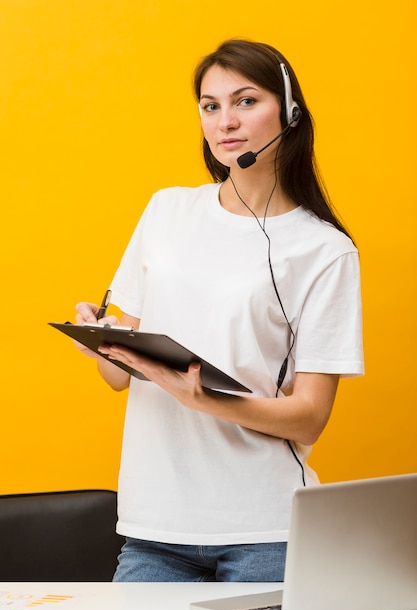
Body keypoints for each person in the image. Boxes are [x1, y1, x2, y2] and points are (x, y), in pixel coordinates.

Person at [75, 39, 363, 582]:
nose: (225, 121)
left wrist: (203, 397)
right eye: (211, 106)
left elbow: (310, 416)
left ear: (290, 111)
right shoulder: (166, 210)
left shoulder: (324, 251)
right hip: (155, 528)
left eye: (245, 101)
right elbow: (117, 378)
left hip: (265, 531)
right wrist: (102, 339)